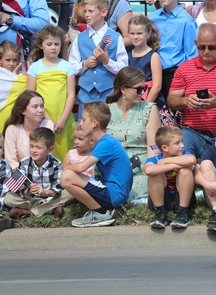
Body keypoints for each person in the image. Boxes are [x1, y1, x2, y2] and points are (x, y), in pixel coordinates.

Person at [167, 23, 216, 159]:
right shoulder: (184, 68)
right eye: (201, 47)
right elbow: (171, 100)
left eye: (211, 47)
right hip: (192, 132)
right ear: (196, 43)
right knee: (183, 161)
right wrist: (187, 101)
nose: (206, 51)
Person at [61, 101, 133, 227]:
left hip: (114, 194)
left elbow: (82, 167)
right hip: (113, 191)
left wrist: (66, 168)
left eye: (83, 120)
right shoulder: (104, 141)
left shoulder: (106, 142)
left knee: (66, 177)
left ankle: (101, 213)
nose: (81, 123)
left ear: (94, 123)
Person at [105, 67, 160, 201]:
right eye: (138, 89)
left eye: (145, 88)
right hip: (113, 166)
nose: (142, 93)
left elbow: (153, 146)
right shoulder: (106, 111)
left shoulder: (149, 109)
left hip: (141, 166)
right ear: (123, 89)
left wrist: (151, 166)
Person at [69, 0, 127, 112]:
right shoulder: (80, 39)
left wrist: (107, 61)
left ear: (103, 12)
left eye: (91, 11)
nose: (86, 15)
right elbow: (71, 68)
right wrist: (84, 64)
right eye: (85, 11)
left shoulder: (116, 38)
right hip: (86, 96)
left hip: (109, 96)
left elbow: (123, 68)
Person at [25, 24, 75, 155]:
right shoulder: (34, 68)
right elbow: (30, 95)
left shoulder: (67, 67)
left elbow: (71, 95)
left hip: (63, 116)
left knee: (64, 150)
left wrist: (63, 119)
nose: (53, 47)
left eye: (57, 44)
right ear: (41, 45)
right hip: (41, 117)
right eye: (49, 44)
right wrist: (46, 119)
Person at [3, 126, 73, 218]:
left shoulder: (56, 164)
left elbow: (59, 187)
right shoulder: (24, 163)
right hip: (31, 199)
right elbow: (20, 188)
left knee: (70, 193)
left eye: (38, 147)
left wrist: (45, 192)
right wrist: (29, 191)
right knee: (8, 198)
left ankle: (30, 212)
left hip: (50, 197)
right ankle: (51, 209)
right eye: (31, 146)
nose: (33, 150)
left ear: (50, 149)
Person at [150, 0, 198, 94]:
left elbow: (191, 54)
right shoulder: (153, 17)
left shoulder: (186, 20)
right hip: (153, 71)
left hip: (174, 73)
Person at [143, 124, 197, 229]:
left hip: (182, 198)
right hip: (162, 199)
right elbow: (148, 170)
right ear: (165, 148)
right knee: (154, 173)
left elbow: (191, 160)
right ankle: (160, 213)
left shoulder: (184, 154)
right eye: (177, 143)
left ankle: (183, 212)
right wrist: (175, 165)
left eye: (182, 141)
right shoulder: (156, 158)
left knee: (186, 171)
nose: (182, 145)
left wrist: (165, 162)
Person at [3, 91, 54, 168]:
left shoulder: (47, 125)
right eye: (35, 106)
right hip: (20, 175)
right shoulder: (12, 129)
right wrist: (28, 175)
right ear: (23, 111)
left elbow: (48, 157)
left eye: (42, 106)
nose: (40, 110)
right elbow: (11, 161)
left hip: (44, 174)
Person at [127, 15, 163, 107]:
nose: (135, 37)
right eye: (132, 33)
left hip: (150, 101)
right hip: (132, 99)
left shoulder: (153, 56)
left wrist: (145, 106)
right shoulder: (127, 55)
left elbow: (157, 86)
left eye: (139, 33)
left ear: (148, 34)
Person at [0, 40, 20, 107]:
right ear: (0, 60)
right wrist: (13, 76)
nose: (11, 64)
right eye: (8, 60)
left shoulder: (21, 77)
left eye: (15, 60)